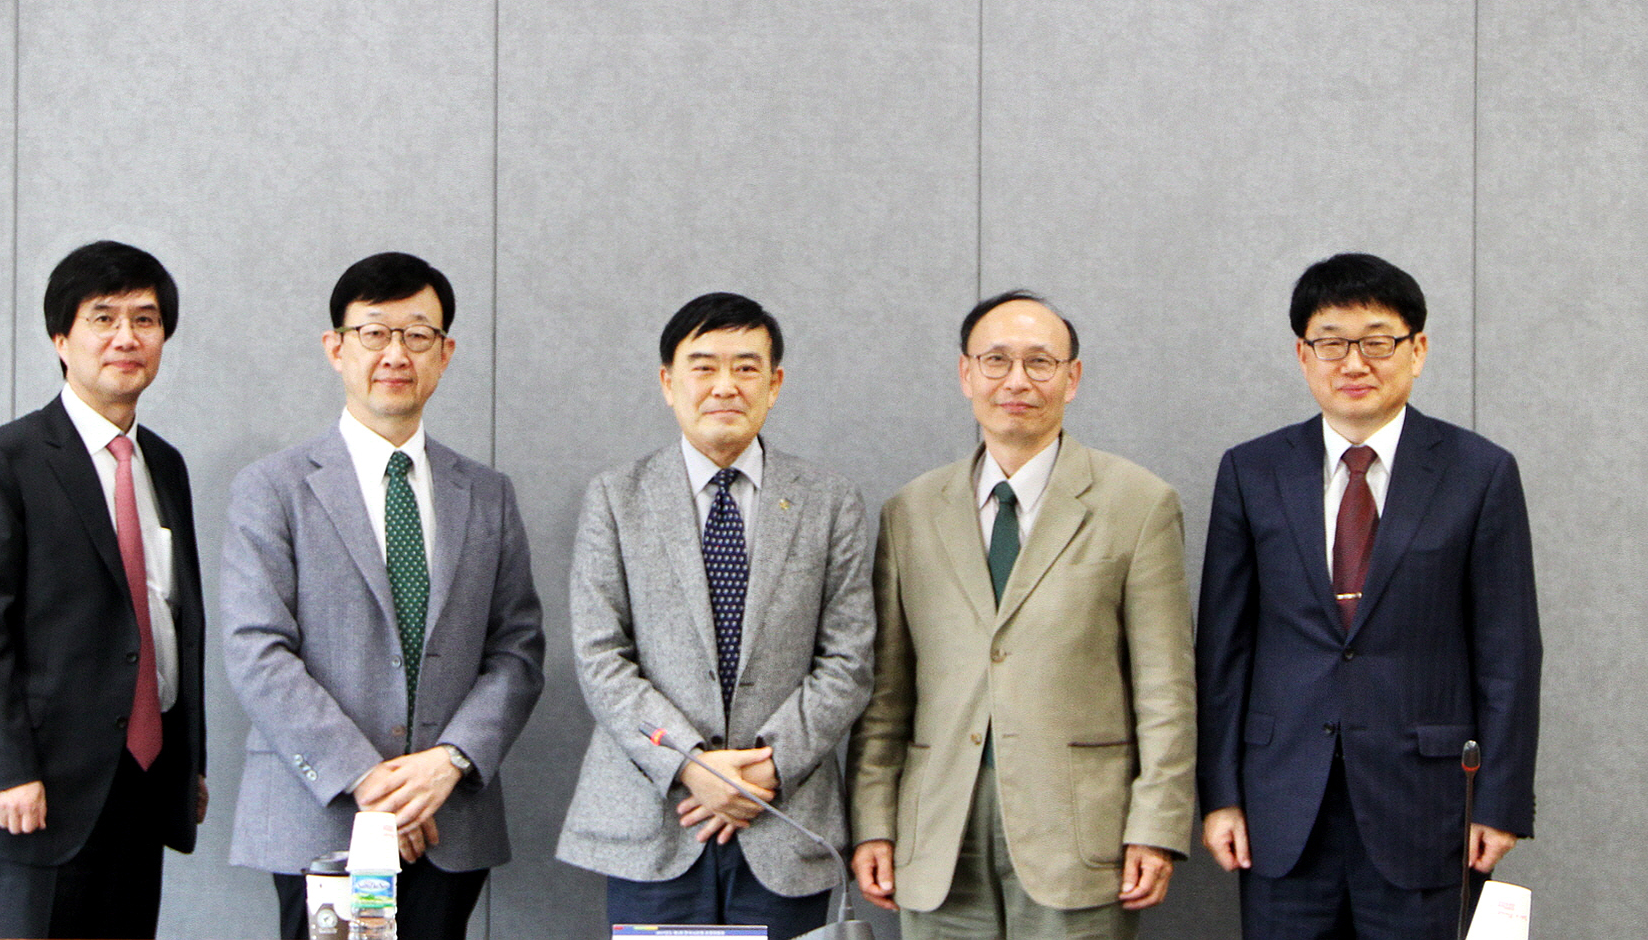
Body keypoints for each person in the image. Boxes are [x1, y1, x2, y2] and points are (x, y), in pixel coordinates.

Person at [1196, 253, 1542, 939]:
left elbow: (1509, 653)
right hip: (1280, 806)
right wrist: (1221, 794)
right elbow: (1222, 652)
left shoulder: (1479, 472)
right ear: (1303, 355)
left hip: (1428, 808)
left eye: (1378, 341)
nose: (1354, 362)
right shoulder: (1252, 471)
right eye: (1332, 342)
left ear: (1418, 349)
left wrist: (1499, 801)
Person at [849, 291, 1196, 940]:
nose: (1016, 381)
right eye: (996, 360)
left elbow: (1165, 688)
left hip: (1080, 830)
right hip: (938, 829)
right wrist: (872, 820)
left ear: (1073, 377)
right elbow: (887, 694)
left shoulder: (1138, 503)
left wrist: (1156, 823)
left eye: (1040, 362)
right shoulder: (911, 511)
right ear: (966, 373)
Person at [224, 252, 544, 940]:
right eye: (374, 333)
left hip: (447, 817)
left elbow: (517, 649)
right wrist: (368, 780)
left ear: (445, 353)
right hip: (322, 817)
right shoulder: (273, 488)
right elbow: (257, 651)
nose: (395, 353)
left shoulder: (487, 494)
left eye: (417, 335)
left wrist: (448, 762)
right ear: (336, 348)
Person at [558, 292, 874, 940]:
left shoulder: (829, 501)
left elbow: (849, 659)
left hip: (784, 819)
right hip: (655, 818)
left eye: (746, 367)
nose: (725, 385)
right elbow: (599, 655)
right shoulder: (617, 498)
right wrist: (691, 763)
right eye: (703, 367)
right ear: (668, 382)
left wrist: (768, 767)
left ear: (774, 384)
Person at [0, 240, 206, 940]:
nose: (127, 337)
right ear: (61, 338)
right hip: (32, 792)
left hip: (140, 783)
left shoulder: (164, 465)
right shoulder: (6, 461)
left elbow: (175, 621)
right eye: (103, 317)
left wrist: (189, 762)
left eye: (145, 319)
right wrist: (4, 769)